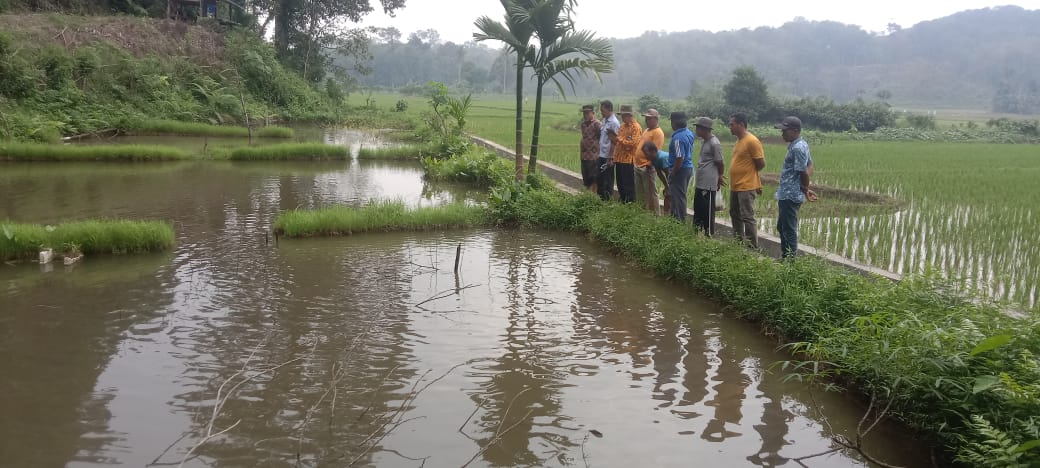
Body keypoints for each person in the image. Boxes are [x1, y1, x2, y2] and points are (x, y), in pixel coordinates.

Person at [774, 115, 814, 259]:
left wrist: (805, 188)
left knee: (788, 229)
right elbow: (809, 165)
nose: (782, 133)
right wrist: (804, 187)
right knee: (782, 227)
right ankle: (786, 258)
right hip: (788, 192)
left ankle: (790, 262)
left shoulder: (798, 148)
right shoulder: (801, 144)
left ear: (795, 131)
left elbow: (804, 171)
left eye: (785, 130)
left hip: (790, 195)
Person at [727, 112, 765, 248]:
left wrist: (751, 177)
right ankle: (738, 243)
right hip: (735, 185)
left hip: (746, 186)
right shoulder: (739, 141)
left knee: (747, 216)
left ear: (741, 124)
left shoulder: (752, 141)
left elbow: (760, 163)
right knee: (734, 214)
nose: (730, 127)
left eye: (732, 124)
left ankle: (751, 247)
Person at [692, 117, 724, 236]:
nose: (696, 130)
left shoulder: (714, 143)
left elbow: (720, 162)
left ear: (705, 129)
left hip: (708, 184)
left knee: (707, 211)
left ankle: (708, 235)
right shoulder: (704, 141)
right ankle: (696, 234)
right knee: (698, 209)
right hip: (701, 183)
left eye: (698, 128)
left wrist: (720, 176)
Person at [636, 109, 666, 214]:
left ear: (656, 119)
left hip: (647, 167)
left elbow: (655, 152)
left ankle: (655, 215)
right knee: (640, 193)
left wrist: (649, 164)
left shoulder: (658, 133)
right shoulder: (647, 130)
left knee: (651, 193)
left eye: (649, 118)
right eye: (646, 118)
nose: (646, 120)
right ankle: (642, 213)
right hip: (639, 165)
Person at [667, 112, 695, 221]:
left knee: (677, 196)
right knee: (681, 195)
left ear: (674, 122)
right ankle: (678, 218)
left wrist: (673, 172)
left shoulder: (678, 138)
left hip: (680, 169)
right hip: (687, 168)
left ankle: (679, 220)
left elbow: (680, 157)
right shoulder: (689, 133)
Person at [613, 104, 643, 203]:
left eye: (623, 115)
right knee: (620, 184)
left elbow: (632, 144)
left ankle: (630, 204)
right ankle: (623, 203)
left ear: (629, 115)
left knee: (628, 185)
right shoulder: (622, 126)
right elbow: (619, 143)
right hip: (619, 159)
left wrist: (619, 139)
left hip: (629, 161)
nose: (622, 117)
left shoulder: (636, 128)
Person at [597, 100, 621, 201]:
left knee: (607, 180)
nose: (601, 112)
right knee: (601, 179)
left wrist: (610, 157)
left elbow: (614, 142)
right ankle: (601, 200)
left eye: (603, 110)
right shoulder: (604, 120)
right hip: (601, 154)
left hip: (608, 156)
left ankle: (607, 201)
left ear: (609, 109)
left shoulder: (614, 123)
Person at [640, 141, 670, 209]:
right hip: (671, 175)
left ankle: (671, 213)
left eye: (646, 154)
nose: (645, 156)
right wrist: (666, 186)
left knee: (669, 195)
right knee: (667, 194)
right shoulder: (654, 159)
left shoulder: (662, 158)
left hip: (679, 173)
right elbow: (659, 173)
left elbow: (668, 173)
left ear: (653, 151)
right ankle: (667, 213)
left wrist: (669, 187)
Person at [580, 104, 602, 194]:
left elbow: (601, 138)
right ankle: (587, 196)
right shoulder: (583, 124)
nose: (585, 115)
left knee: (593, 179)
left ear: (593, 113)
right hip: (584, 156)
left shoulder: (597, 124)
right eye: (584, 113)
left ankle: (592, 196)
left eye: (587, 113)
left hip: (594, 157)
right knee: (586, 179)